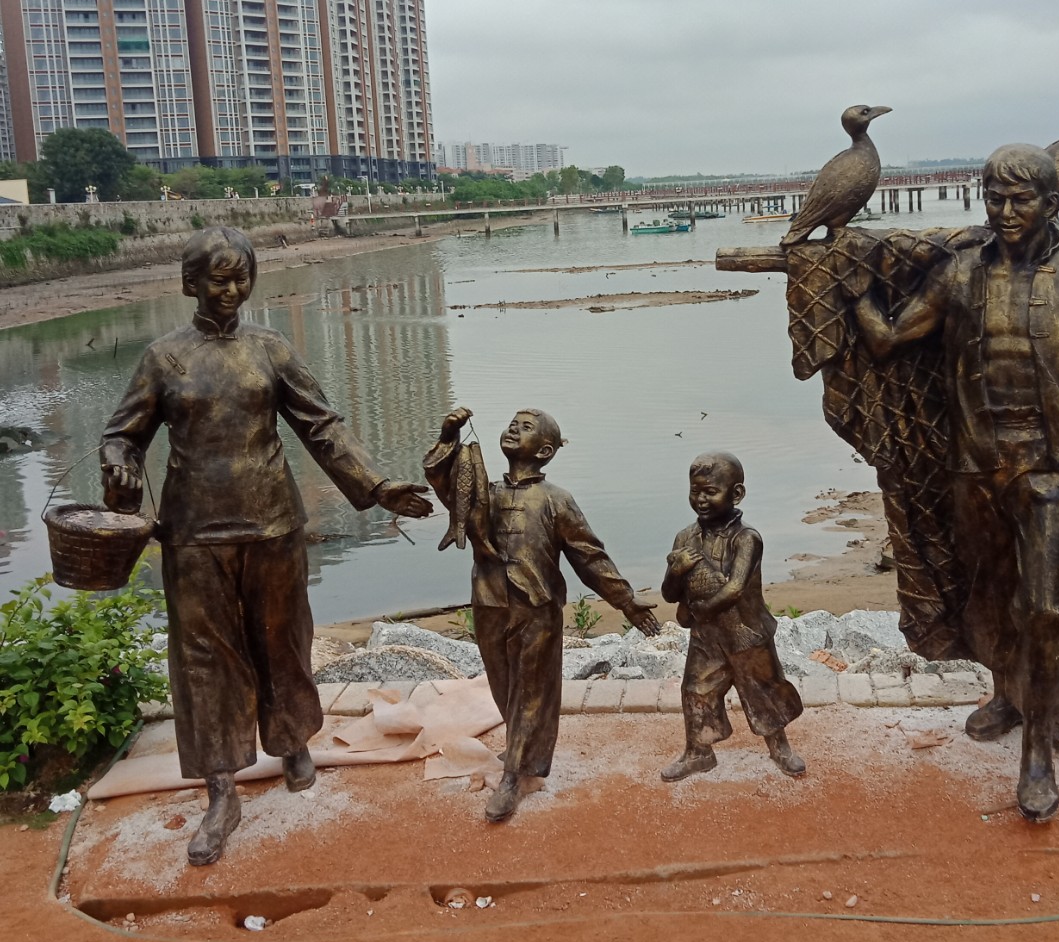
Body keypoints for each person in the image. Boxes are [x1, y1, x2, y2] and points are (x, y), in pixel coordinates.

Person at [100, 226, 433, 865]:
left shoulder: (271, 348)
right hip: (193, 531)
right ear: (190, 283)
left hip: (273, 522)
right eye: (219, 279)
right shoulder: (163, 358)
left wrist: (377, 484)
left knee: (282, 638)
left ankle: (292, 741)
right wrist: (119, 464)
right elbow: (122, 434)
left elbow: (321, 426)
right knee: (204, 659)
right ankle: (221, 788)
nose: (232, 290)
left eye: (241, 278)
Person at [853, 144, 1059, 821]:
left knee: (1047, 605)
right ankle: (1006, 693)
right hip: (977, 463)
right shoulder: (959, 274)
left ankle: (1039, 752)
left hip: (1057, 465)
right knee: (992, 593)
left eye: (1021, 199)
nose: (1005, 211)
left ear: (1051, 203)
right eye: (994, 197)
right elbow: (888, 339)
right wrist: (846, 280)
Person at [425, 407, 660, 822]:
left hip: (537, 609)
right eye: (512, 423)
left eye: (526, 427)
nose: (514, 429)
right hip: (489, 603)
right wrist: (448, 438)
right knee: (504, 686)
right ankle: (524, 750)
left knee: (532, 691)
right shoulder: (485, 492)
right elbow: (446, 487)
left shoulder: (556, 500)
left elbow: (589, 557)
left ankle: (514, 775)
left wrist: (625, 600)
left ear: (545, 450)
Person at [660, 452, 805, 782]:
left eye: (710, 492)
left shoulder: (747, 538)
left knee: (763, 691)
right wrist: (676, 570)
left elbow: (735, 588)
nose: (701, 499)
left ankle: (780, 747)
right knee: (696, 690)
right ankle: (698, 752)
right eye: (695, 491)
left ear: (736, 493)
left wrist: (701, 609)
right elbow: (669, 593)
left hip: (746, 633)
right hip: (706, 637)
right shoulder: (685, 538)